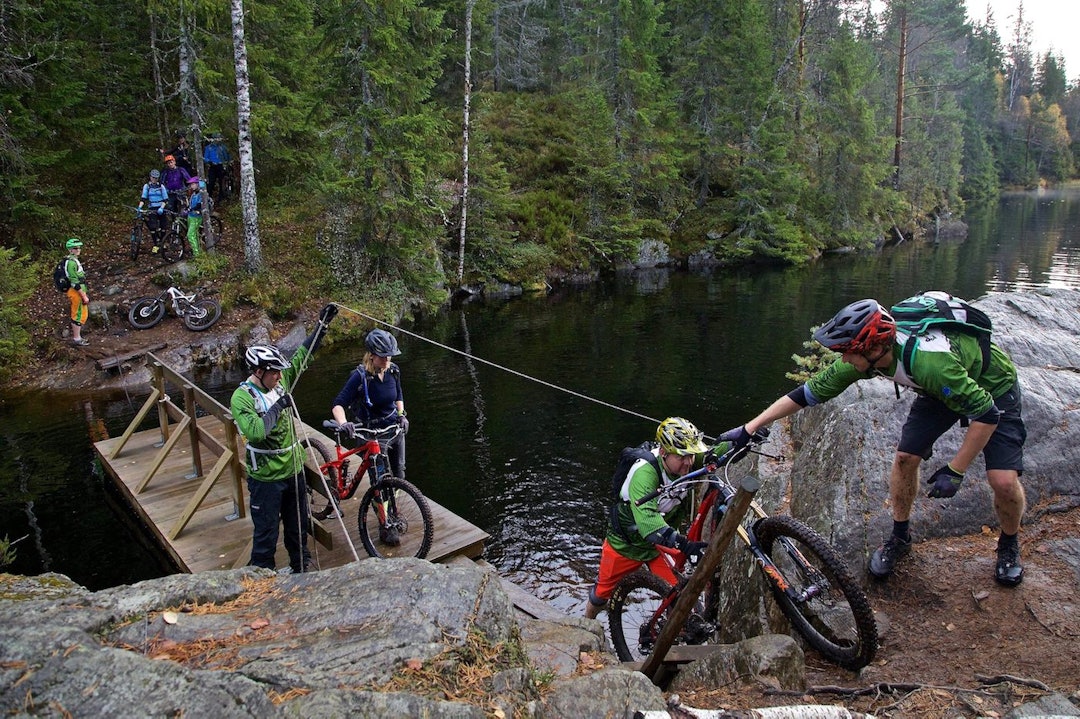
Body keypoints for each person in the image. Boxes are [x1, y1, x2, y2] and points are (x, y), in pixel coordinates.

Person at [719, 298, 1027, 587]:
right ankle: (900, 537)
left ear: (875, 348)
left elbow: (986, 414)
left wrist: (956, 469)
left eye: (849, 351)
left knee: (1001, 480)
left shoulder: (931, 365)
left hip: (992, 389)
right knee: (905, 458)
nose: (844, 358)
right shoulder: (869, 358)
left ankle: (1009, 544)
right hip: (939, 391)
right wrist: (750, 427)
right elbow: (808, 393)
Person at [230, 304, 339, 574]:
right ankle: (263, 580)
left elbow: (303, 355)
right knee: (266, 534)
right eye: (274, 372)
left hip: (294, 471)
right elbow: (256, 431)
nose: (280, 377)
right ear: (258, 372)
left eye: (280, 372)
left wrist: (321, 327)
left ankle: (300, 569)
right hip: (266, 479)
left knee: (298, 527)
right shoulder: (242, 397)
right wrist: (278, 407)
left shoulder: (279, 383)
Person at [584, 417, 725, 619]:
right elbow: (647, 521)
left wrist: (748, 433)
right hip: (626, 544)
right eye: (683, 456)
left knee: (677, 592)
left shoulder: (687, 461)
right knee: (601, 595)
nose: (689, 462)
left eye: (691, 455)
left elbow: (717, 453)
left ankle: (671, 632)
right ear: (664, 453)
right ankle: (585, 624)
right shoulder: (644, 473)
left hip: (659, 543)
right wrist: (683, 544)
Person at [326, 328, 409, 541]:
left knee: (398, 474)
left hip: (393, 429)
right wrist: (344, 424)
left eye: (390, 355)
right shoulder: (359, 377)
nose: (388, 359)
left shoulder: (393, 371)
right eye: (384, 356)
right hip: (371, 432)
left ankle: (393, 511)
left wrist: (401, 415)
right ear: (372, 355)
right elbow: (338, 404)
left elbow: (398, 395)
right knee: (379, 480)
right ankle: (385, 524)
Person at [62, 238, 90, 347]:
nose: (78, 249)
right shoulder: (71, 263)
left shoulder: (74, 260)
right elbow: (74, 282)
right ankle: (77, 338)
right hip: (76, 292)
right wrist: (83, 295)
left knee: (82, 313)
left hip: (80, 290)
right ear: (70, 250)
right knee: (77, 314)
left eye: (79, 247)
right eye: (75, 248)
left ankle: (78, 337)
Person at [137, 168, 169, 252]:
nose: (154, 179)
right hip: (152, 208)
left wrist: (162, 207)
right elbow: (143, 198)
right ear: (150, 177)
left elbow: (165, 199)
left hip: (161, 207)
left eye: (156, 178)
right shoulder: (147, 186)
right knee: (152, 227)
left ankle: (163, 243)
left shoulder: (161, 186)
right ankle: (155, 244)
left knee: (163, 227)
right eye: (153, 177)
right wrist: (139, 207)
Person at [203, 132, 232, 203]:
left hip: (221, 166)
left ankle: (221, 198)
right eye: (216, 138)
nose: (217, 140)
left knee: (222, 182)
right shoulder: (208, 148)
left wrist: (228, 163)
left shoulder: (223, 147)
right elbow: (205, 158)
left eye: (219, 138)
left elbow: (228, 157)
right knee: (211, 183)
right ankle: (208, 198)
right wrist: (209, 162)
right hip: (212, 166)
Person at [183, 175, 203, 258]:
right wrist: (187, 208)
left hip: (197, 217)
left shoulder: (201, 194)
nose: (191, 186)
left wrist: (191, 209)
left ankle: (196, 254)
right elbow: (190, 204)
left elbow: (199, 205)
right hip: (190, 216)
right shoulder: (193, 194)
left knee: (190, 235)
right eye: (191, 184)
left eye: (193, 184)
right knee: (195, 234)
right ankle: (198, 249)